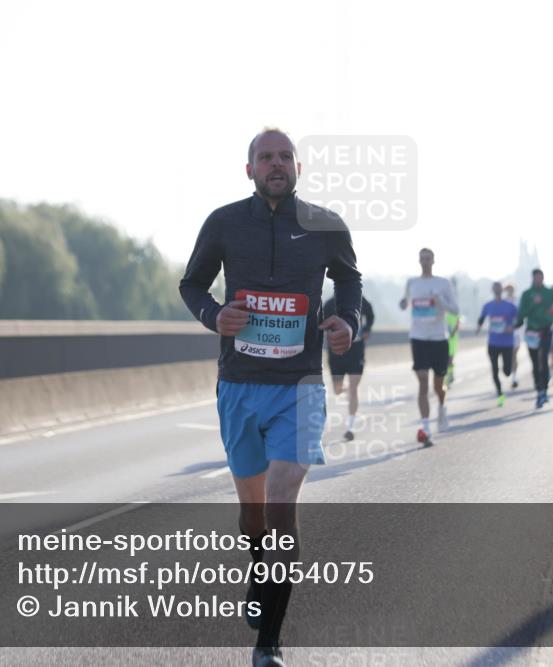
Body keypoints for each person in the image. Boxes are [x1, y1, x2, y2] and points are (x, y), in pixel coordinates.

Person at [179, 128, 362, 667]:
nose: (276, 164)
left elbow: (350, 282)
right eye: (266, 157)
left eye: (285, 156)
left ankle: (269, 645)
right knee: (253, 515)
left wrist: (346, 320)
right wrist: (216, 316)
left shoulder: (326, 226)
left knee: (282, 503)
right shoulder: (224, 222)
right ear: (250, 169)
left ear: (299, 168)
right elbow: (192, 284)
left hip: (301, 386)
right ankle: (260, 567)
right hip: (240, 385)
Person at [399, 248, 459, 446]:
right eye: (422, 258)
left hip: (438, 339)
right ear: (419, 261)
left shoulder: (443, 283)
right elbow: (405, 302)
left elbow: (455, 310)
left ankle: (442, 406)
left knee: (438, 385)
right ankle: (426, 427)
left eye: (428, 258)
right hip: (418, 337)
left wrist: (439, 300)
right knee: (423, 381)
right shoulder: (412, 283)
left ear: (434, 260)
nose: (425, 261)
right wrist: (402, 303)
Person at [323, 294, 374, 441]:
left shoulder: (360, 300)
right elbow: (321, 323)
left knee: (353, 386)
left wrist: (366, 329)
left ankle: (350, 427)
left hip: (356, 349)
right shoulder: (329, 304)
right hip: (336, 352)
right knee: (338, 390)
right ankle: (347, 390)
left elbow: (370, 315)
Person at [515, 269, 553, 409]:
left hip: (545, 330)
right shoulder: (526, 295)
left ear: (543, 278)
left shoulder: (549, 293)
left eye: (540, 278)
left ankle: (544, 390)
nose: (538, 280)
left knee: (543, 358)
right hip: (531, 331)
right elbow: (521, 313)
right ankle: (539, 389)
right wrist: (533, 304)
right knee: (534, 362)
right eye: (535, 278)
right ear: (532, 278)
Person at [476, 281, 518, 407]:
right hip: (493, 342)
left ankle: (508, 370)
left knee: (506, 371)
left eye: (499, 288)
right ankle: (500, 394)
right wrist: (478, 327)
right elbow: (482, 317)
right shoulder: (488, 305)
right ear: (492, 290)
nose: (497, 290)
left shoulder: (510, 306)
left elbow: (520, 320)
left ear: (502, 290)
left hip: (507, 343)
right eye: (495, 288)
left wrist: (513, 327)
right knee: (494, 369)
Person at [503, 283, 521, 389]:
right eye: (508, 290)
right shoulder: (503, 302)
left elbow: (520, 317)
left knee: (514, 355)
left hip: (515, 333)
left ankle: (514, 378)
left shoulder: (518, 302)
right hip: (504, 333)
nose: (509, 292)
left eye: (511, 290)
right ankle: (508, 370)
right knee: (507, 355)